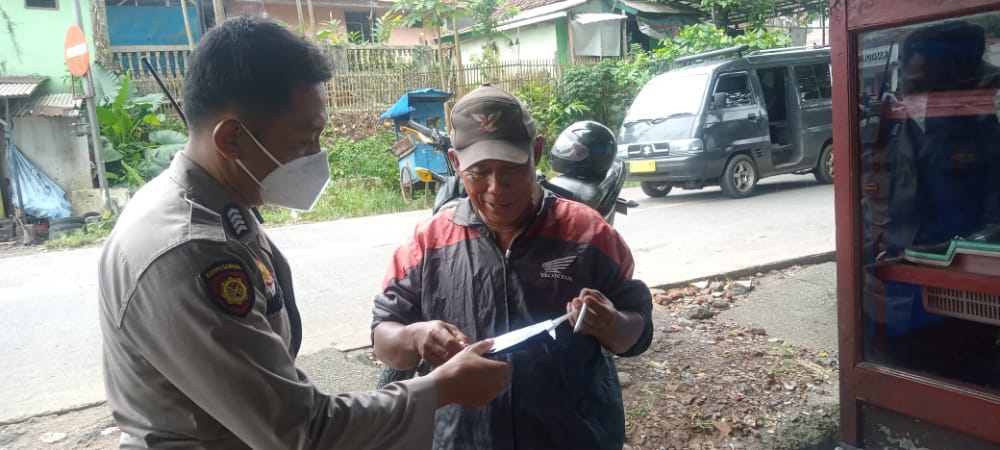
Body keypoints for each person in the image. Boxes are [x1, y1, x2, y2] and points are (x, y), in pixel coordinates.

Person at [98, 17, 511, 449]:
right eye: (304, 141)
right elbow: (302, 431)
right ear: (231, 139)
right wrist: (441, 387)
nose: (317, 156)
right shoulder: (189, 252)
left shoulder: (218, 208)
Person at [371, 84, 654, 449]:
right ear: (456, 163)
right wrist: (415, 337)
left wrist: (611, 323)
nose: (496, 187)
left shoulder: (589, 234)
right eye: (479, 172)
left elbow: (637, 331)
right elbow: (384, 337)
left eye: (511, 168)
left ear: (535, 153)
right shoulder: (427, 243)